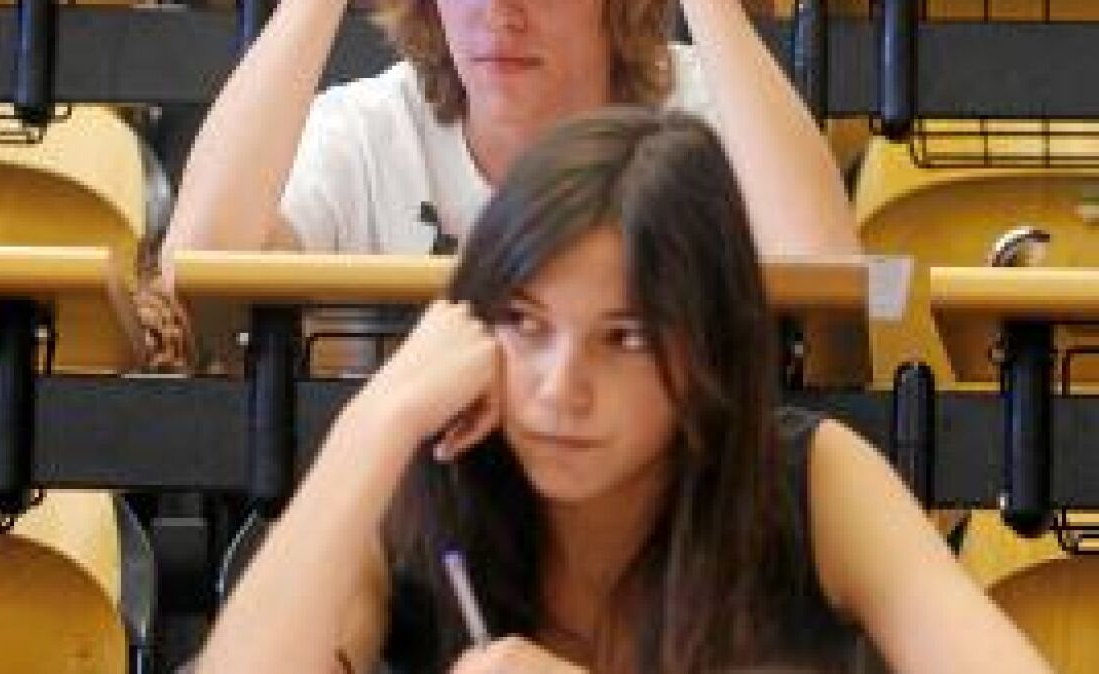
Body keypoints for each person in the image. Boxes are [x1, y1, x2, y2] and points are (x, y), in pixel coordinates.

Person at [193, 109, 1052, 674]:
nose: (562, 388)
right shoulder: (421, 476)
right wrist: (375, 420)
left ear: (710, 341)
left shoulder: (809, 475)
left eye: (626, 337)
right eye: (525, 323)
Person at [159, 0, 858, 269]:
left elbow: (831, 279)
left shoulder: (706, 109)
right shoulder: (368, 131)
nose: (500, 12)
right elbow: (198, 265)